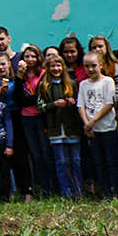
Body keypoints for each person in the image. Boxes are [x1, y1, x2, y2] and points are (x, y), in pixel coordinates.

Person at [36, 52, 82, 199]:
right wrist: (54, 104)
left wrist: (74, 103)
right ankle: (66, 192)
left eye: (58, 65)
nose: (56, 68)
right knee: (61, 162)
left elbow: (81, 103)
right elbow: (40, 106)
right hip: (55, 128)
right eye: (52, 66)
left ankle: (78, 191)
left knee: (75, 161)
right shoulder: (44, 86)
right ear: (48, 68)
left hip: (71, 127)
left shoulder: (72, 84)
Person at [78, 49, 118, 200]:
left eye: (93, 66)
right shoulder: (83, 85)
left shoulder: (107, 81)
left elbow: (109, 103)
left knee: (112, 161)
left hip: (107, 127)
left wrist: (93, 120)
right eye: (87, 66)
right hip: (92, 130)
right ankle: (106, 193)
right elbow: (81, 106)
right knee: (98, 162)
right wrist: (87, 125)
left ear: (101, 65)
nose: (90, 69)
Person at [10, 45, 50, 200]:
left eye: (33, 56)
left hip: (41, 117)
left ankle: (52, 188)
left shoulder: (43, 74)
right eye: (27, 57)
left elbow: (42, 97)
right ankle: (44, 190)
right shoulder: (21, 76)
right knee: (35, 155)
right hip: (26, 118)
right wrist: (20, 75)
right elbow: (16, 98)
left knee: (46, 153)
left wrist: (26, 100)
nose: (30, 59)